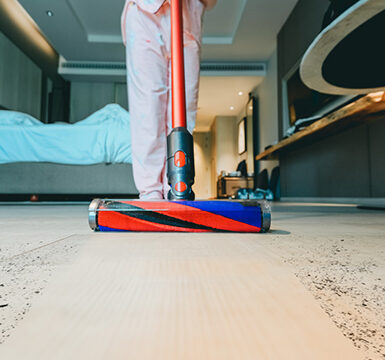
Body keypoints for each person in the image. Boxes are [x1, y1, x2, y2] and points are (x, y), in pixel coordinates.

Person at [121, 0, 216, 200]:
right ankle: (151, 192)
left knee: (184, 107)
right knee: (147, 108)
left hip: (187, 18)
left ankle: (177, 185)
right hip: (143, 15)